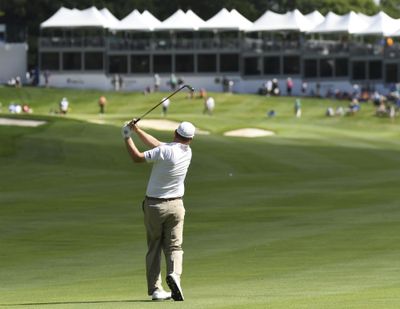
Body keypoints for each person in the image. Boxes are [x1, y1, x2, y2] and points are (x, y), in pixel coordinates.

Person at [121, 120, 195, 302]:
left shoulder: (164, 151)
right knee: (174, 246)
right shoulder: (187, 151)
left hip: (155, 206)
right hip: (177, 206)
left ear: (175, 133)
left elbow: (137, 157)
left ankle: (156, 289)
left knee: (154, 246)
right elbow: (157, 144)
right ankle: (175, 274)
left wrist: (127, 136)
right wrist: (137, 129)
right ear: (190, 139)